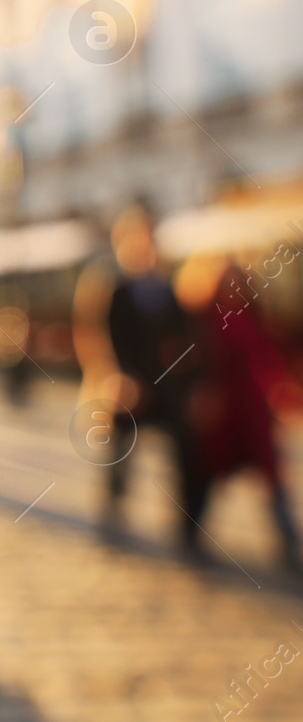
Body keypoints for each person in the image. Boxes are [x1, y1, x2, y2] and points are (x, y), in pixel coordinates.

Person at [179, 257, 301, 570]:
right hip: (223, 410)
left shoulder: (254, 316)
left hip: (253, 408)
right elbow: (196, 360)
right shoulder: (205, 318)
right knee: (212, 471)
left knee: (272, 475)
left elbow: (269, 356)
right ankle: (191, 530)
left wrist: (282, 391)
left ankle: (288, 544)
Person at [98, 207, 201, 548]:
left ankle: (188, 526)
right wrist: (122, 377)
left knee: (184, 449)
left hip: (164, 386)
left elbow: (183, 338)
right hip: (131, 388)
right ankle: (114, 510)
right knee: (120, 453)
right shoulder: (118, 292)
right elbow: (107, 338)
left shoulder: (166, 290)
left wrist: (186, 379)